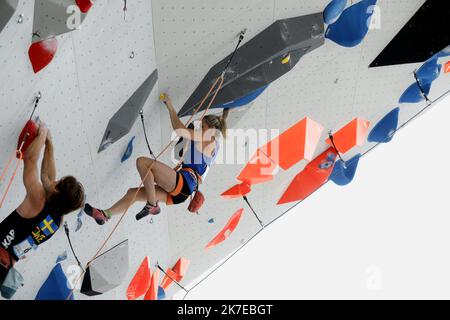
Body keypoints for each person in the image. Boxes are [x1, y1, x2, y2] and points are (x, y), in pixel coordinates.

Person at [84, 94, 227, 224]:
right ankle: (105, 214)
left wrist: (170, 106)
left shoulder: (210, 138)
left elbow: (180, 131)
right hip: (182, 190)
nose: (200, 128)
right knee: (132, 193)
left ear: (211, 128)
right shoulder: (208, 143)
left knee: (142, 162)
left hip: (184, 184)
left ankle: (151, 204)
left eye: (203, 126)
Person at [0, 123, 85, 284]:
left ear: (57, 190)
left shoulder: (37, 198)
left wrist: (42, 134)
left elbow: (30, 160)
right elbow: (48, 178)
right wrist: (49, 144)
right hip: (5, 270)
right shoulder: (57, 221)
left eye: (58, 181)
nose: (55, 179)